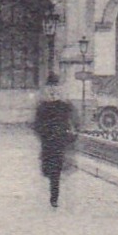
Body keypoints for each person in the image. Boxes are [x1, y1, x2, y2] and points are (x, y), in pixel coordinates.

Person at [33, 73, 77, 208]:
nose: (52, 90)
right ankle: (54, 193)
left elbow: (73, 120)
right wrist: (43, 134)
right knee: (49, 169)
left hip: (58, 141)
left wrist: (69, 134)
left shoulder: (64, 105)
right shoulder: (42, 106)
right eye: (50, 87)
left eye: (55, 86)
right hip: (48, 141)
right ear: (47, 88)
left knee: (55, 169)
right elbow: (36, 124)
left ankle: (54, 196)